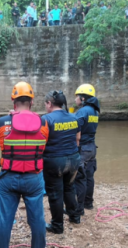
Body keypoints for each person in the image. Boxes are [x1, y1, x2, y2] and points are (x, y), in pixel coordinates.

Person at [0, 82, 48, 248]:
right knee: (37, 218)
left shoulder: (1, 122)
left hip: (8, 177)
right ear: (31, 102)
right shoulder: (44, 122)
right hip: (33, 177)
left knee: (5, 218)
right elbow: (44, 145)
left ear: (14, 102)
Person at [42, 91, 81, 234]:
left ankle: (57, 226)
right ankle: (75, 217)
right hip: (74, 158)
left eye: (45, 104)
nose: (45, 107)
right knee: (70, 188)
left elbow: (42, 141)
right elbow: (78, 139)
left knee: (55, 193)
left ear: (49, 103)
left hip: (54, 160)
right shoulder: (74, 117)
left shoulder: (46, 119)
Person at [74, 84, 100, 216]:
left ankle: (78, 208)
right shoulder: (94, 111)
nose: (75, 99)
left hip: (83, 148)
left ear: (83, 98)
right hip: (92, 147)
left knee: (80, 178)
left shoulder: (83, 112)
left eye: (77, 97)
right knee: (89, 176)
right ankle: (88, 203)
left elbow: (75, 128)